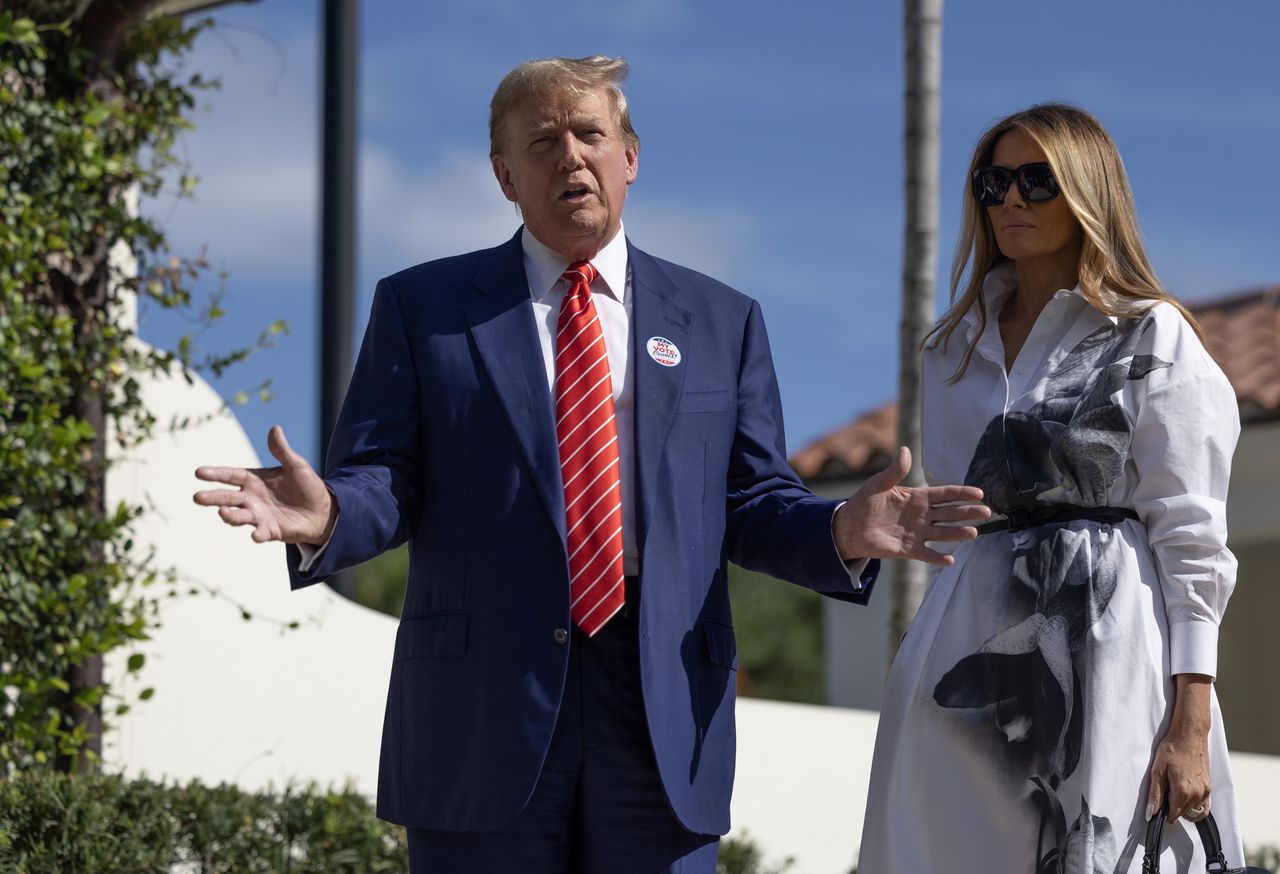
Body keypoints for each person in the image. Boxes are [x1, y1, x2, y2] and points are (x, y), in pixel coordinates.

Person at [193, 55, 990, 873]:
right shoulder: (422, 309)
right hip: (483, 703)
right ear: (505, 175)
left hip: (659, 696)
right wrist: (328, 514)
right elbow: (385, 479)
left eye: (589, 135)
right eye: (540, 143)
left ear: (630, 158)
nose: (569, 156)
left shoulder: (723, 321)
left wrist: (839, 532)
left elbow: (751, 502)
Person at [858, 103, 1244, 873]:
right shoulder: (950, 351)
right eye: (994, 181)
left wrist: (1190, 722)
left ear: (1086, 193)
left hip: (1109, 646)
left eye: (1037, 181)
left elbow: (1191, 535)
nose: (1009, 199)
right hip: (963, 641)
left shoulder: (1150, 333)